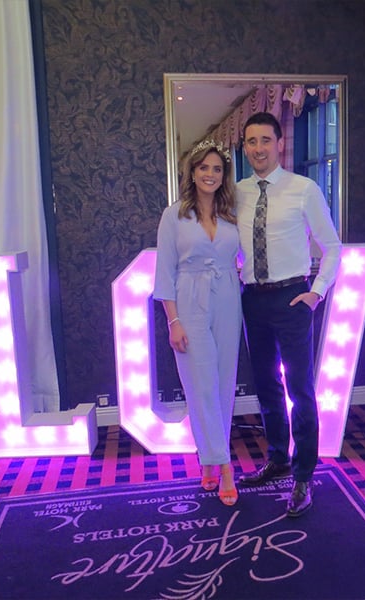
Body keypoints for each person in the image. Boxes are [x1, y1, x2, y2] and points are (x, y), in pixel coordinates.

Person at [236, 111, 342, 517]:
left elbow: (332, 246)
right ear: (244, 147)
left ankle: (303, 476)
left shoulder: (304, 189)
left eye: (265, 140)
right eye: (251, 141)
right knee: (266, 385)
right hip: (252, 299)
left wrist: (317, 292)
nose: (258, 148)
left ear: (280, 144)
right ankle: (278, 458)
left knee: (300, 389)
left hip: (293, 297)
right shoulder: (238, 192)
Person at [153, 139, 242, 506]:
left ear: (224, 176)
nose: (210, 174)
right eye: (204, 167)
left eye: (217, 169)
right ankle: (224, 466)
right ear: (192, 172)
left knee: (223, 384)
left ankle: (207, 459)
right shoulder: (173, 215)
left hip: (228, 297)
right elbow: (164, 271)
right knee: (200, 385)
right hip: (189, 299)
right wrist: (173, 320)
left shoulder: (231, 214)